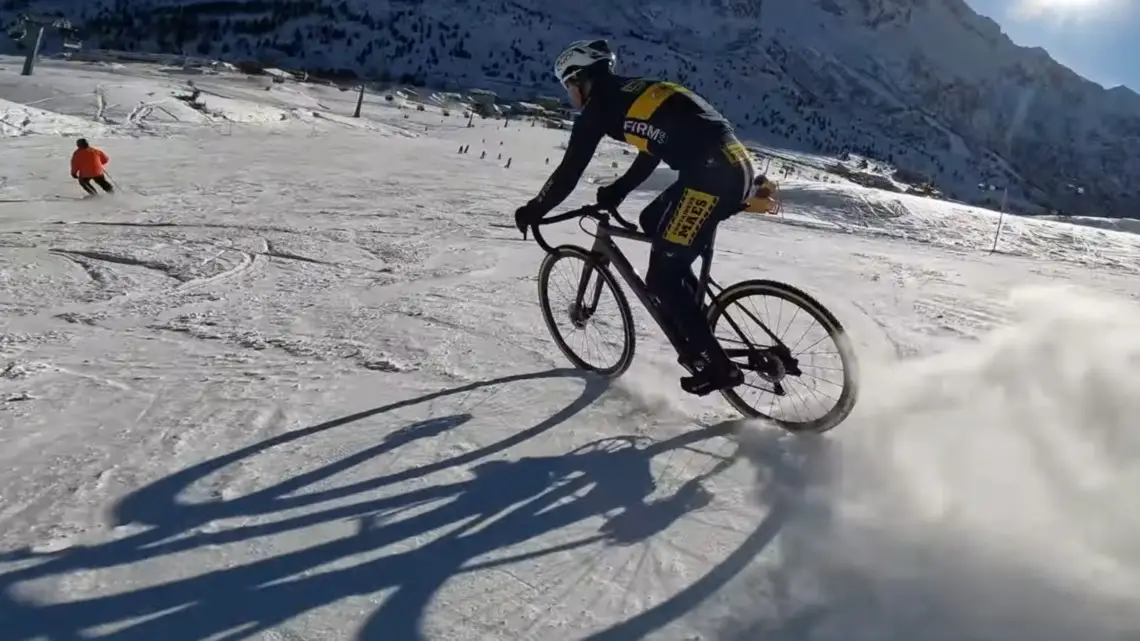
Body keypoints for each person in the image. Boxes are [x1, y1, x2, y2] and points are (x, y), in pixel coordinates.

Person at [514, 38, 768, 396]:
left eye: (568, 87)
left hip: (709, 177)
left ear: (580, 80)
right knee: (653, 221)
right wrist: (619, 189)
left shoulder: (600, 108)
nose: (570, 96)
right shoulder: (636, 92)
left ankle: (720, 369)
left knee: (662, 278)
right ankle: (694, 312)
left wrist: (535, 209)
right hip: (732, 166)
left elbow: (569, 172)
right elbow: (651, 149)